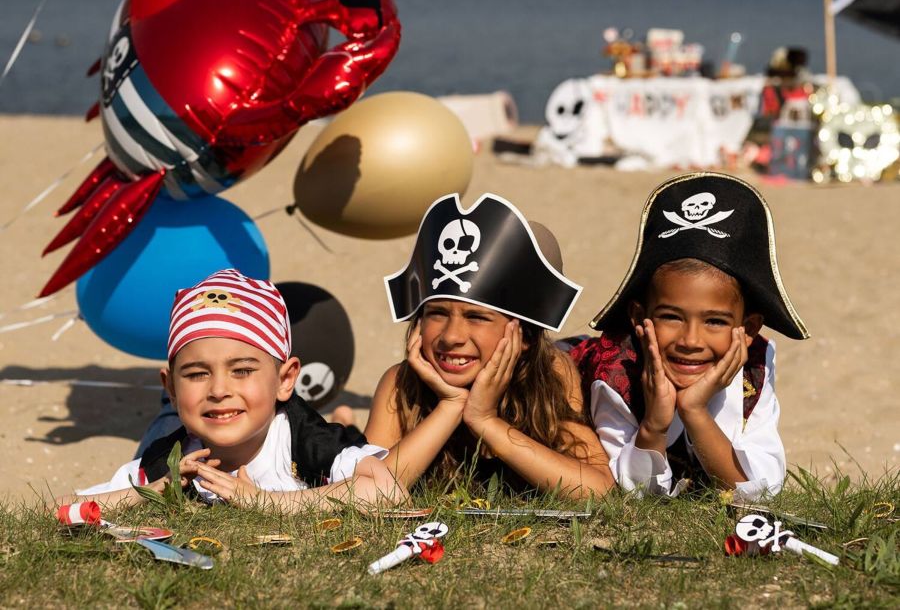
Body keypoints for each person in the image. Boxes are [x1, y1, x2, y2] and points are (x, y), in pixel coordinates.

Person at [62, 269, 405, 512]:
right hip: (175, 426)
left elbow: (388, 489)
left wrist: (268, 502)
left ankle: (344, 419)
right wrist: (154, 489)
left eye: (241, 370)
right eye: (197, 374)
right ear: (171, 387)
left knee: (346, 434)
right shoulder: (171, 459)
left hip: (319, 428)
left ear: (285, 379)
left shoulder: (307, 441)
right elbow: (60, 509)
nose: (219, 389)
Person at [568, 172, 809, 500]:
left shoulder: (754, 365)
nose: (690, 341)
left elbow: (761, 489)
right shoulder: (614, 371)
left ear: (749, 329)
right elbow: (636, 492)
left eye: (715, 321)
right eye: (671, 317)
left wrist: (694, 410)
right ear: (639, 317)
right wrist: (654, 425)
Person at [365, 193, 614, 498]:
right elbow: (368, 491)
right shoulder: (400, 383)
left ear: (524, 336)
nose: (451, 336)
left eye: (476, 317)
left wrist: (486, 421)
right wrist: (450, 406)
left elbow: (598, 490)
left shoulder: (550, 373)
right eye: (437, 313)